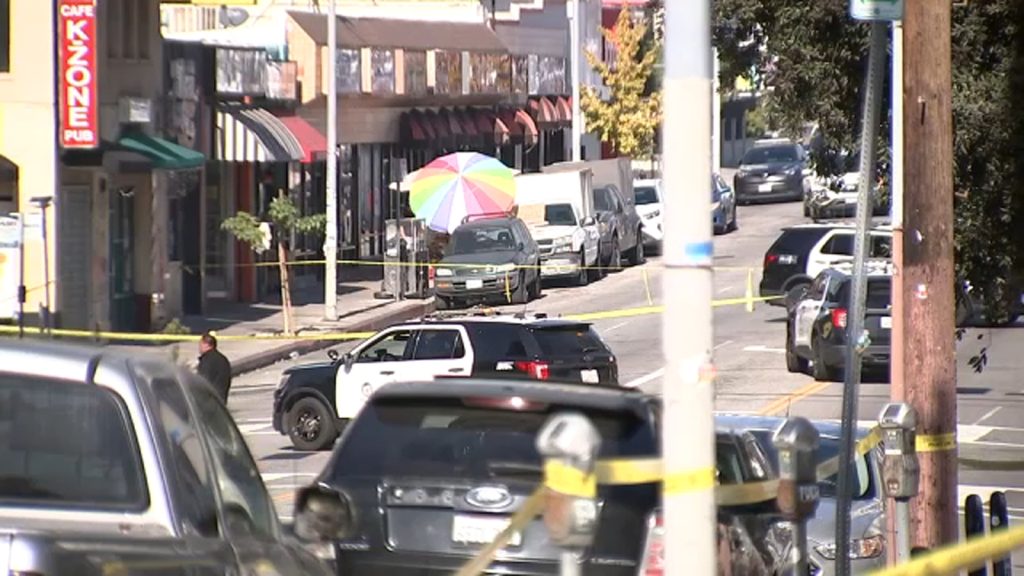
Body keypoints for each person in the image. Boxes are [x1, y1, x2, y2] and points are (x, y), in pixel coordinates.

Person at [197, 332, 232, 402]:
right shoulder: (223, 359)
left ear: (206, 344)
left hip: (209, 401)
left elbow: (203, 381)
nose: (199, 347)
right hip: (221, 400)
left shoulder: (207, 360)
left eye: (200, 344)